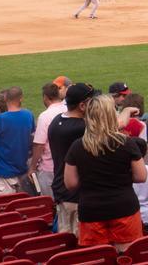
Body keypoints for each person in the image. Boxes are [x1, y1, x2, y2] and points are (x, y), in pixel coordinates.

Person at [64, 94, 148, 250]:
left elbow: (70, 183)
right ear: (111, 115)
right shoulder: (126, 143)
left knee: (99, 258)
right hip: (124, 207)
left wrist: (91, 177)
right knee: (126, 256)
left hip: (92, 210)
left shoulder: (77, 146)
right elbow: (141, 176)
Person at [50, 83, 96, 236]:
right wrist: (127, 111)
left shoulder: (57, 120)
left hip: (62, 190)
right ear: (82, 105)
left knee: (66, 240)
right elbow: (111, 127)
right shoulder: (81, 128)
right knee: (80, 242)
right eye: (92, 101)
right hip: (76, 196)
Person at [0, 87, 35, 197]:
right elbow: (32, 138)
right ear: (21, 98)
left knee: (0, 206)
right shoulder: (28, 115)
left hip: (1, 173)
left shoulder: (0, 119)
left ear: (5, 98)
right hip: (21, 170)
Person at [31, 82, 66, 197]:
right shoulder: (68, 109)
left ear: (46, 97)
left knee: (50, 202)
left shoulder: (45, 116)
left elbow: (39, 145)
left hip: (49, 169)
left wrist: (32, 167)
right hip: (68, 166)